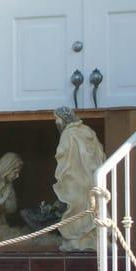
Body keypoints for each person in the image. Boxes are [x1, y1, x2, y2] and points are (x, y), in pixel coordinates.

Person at [53, 107, 106, 252]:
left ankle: (77, 238)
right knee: (90, 205)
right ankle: (91, 236)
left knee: (75, 207)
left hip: (74, 178)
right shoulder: (87, 130)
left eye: (56, 118)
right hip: (90, 177)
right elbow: (100, 153)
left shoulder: (67, 134)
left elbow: (62, 153)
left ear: (63, 119)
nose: (56, 122)